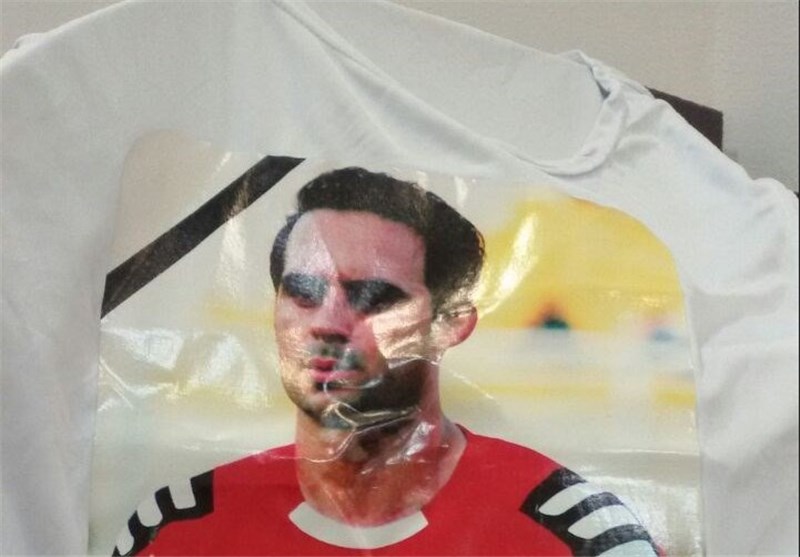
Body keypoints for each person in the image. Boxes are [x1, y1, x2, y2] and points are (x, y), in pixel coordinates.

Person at [113, 167, 660, 556]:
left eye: (373, 298)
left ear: (450, 324)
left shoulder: (578, 533)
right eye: (302, 293)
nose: (327, 322)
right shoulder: (174, 527)